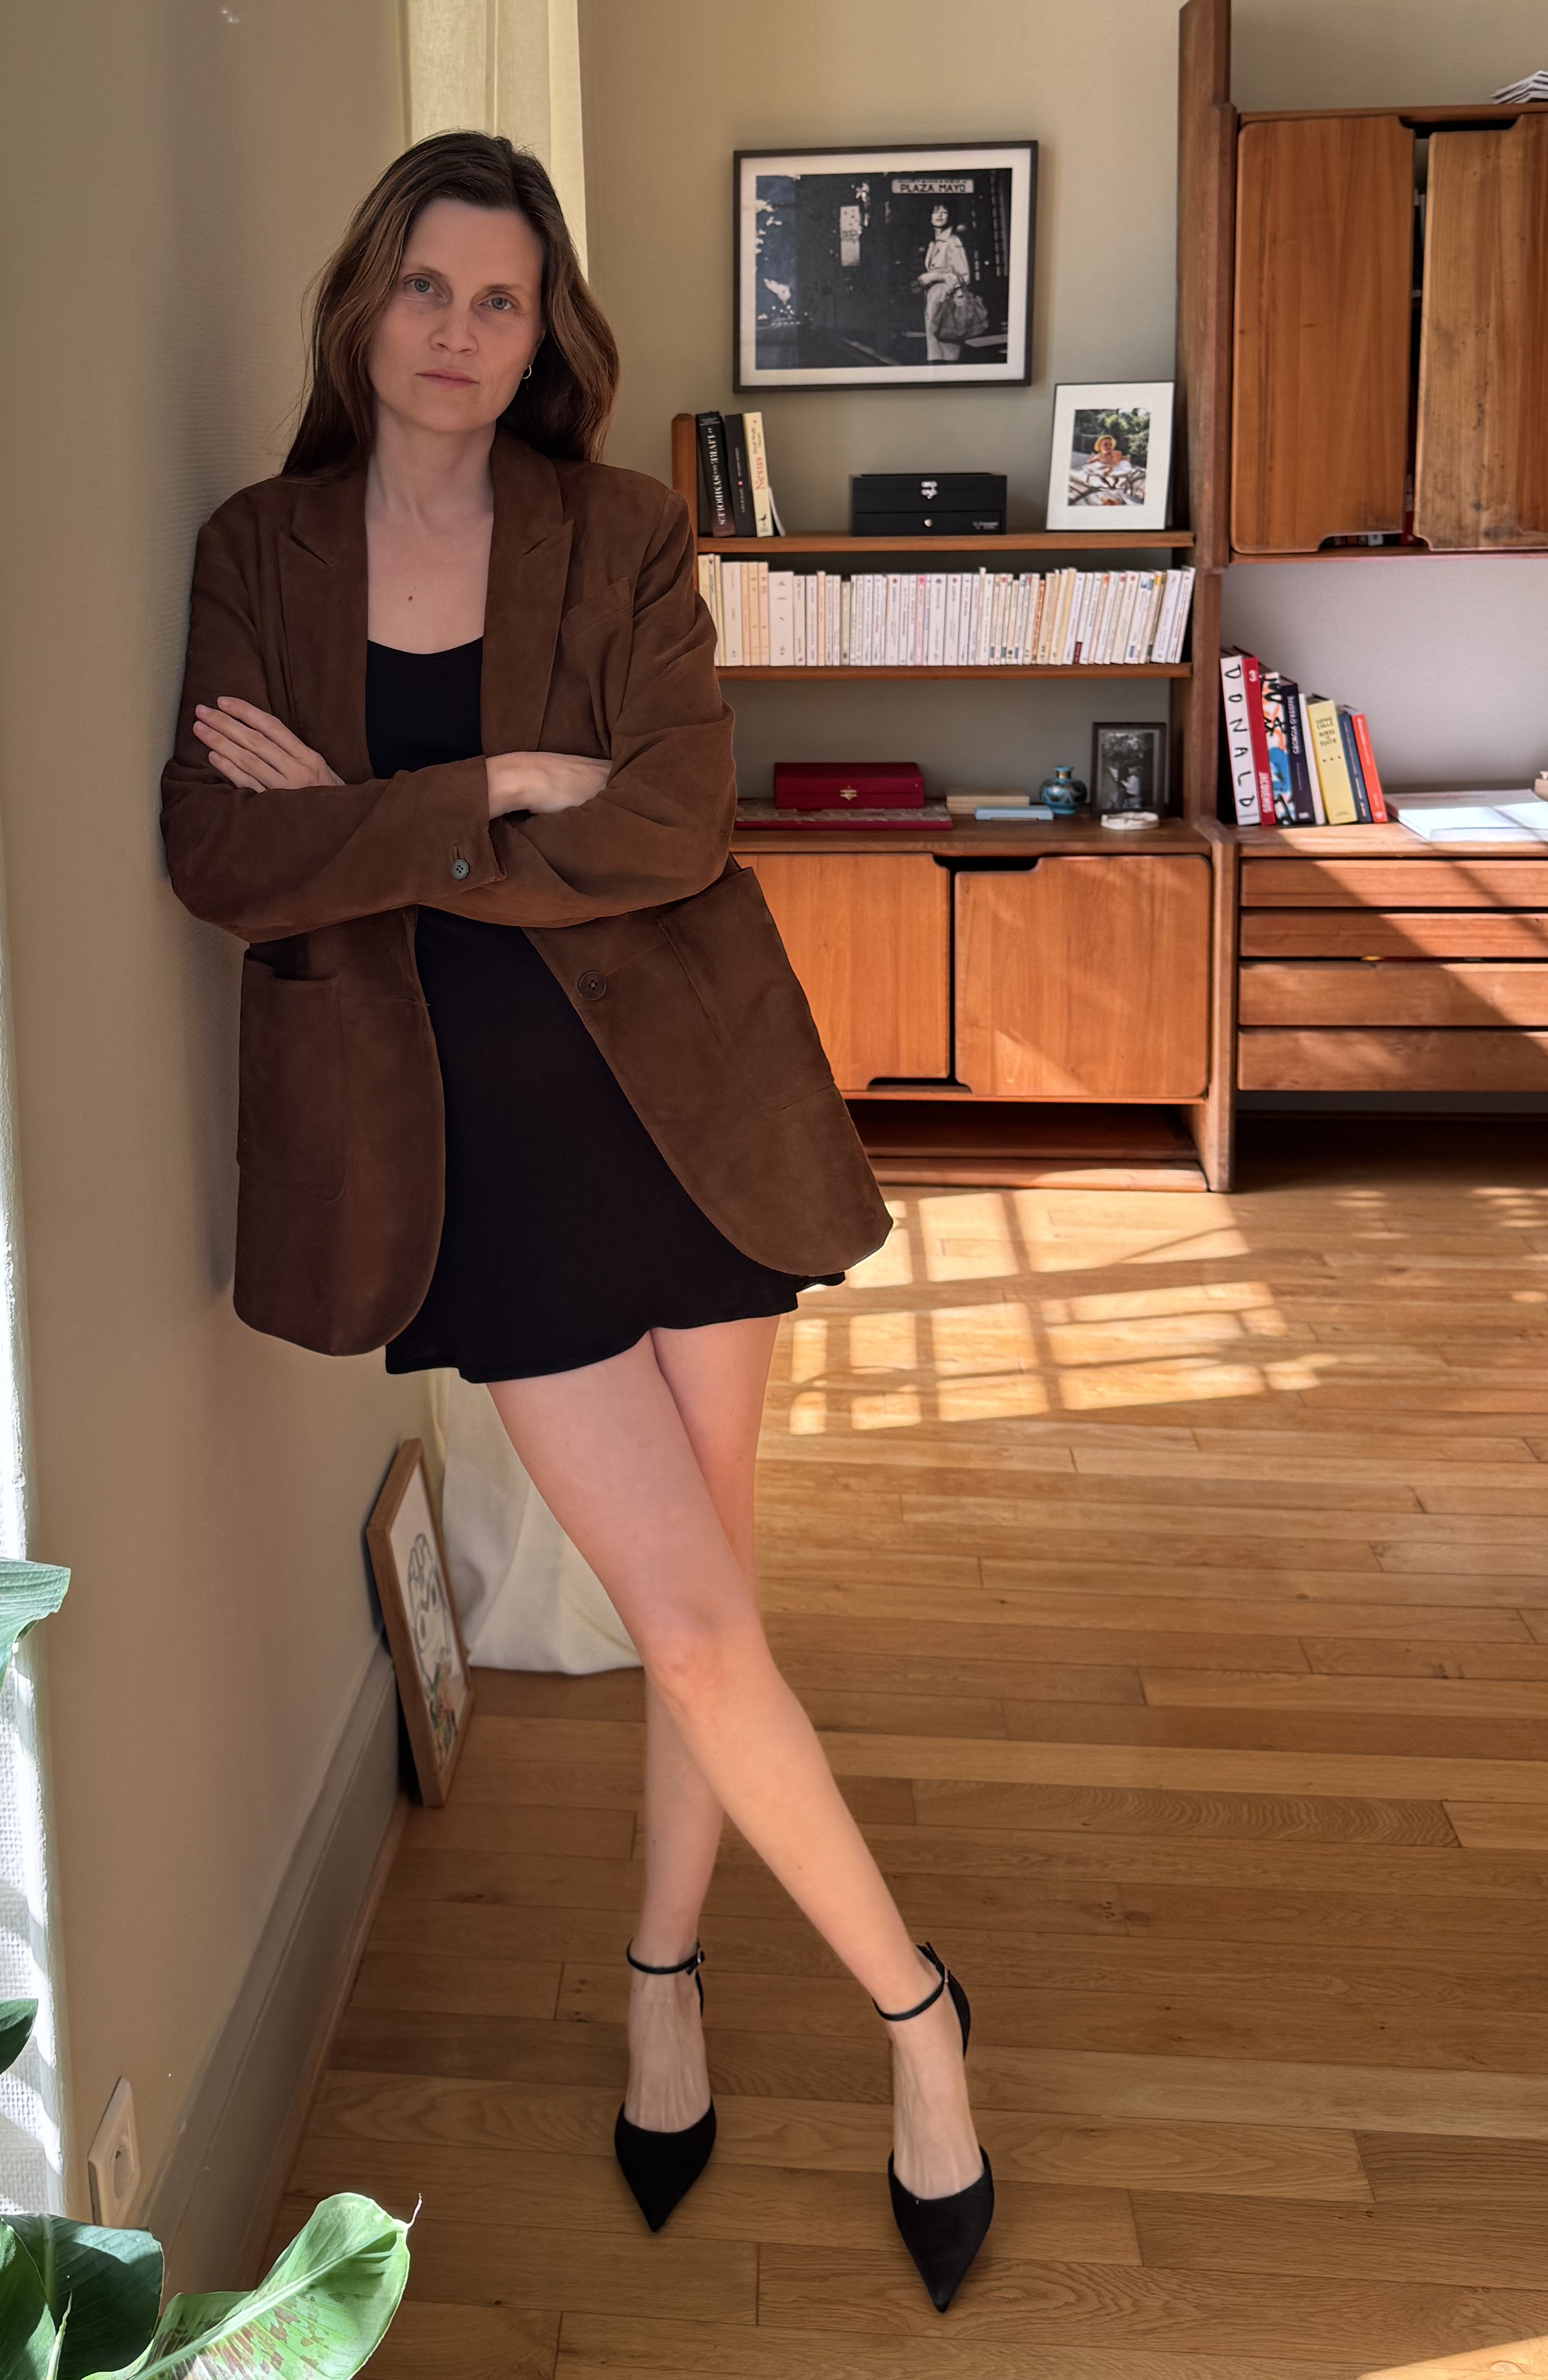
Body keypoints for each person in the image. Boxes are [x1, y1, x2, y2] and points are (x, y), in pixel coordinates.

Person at [160, 132, 992, 2312]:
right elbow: (220, 861)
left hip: (678, 1104)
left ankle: (661, 1973)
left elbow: (675, 825)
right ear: (365, 302)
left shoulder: (617, 531)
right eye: (425, 286)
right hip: (467, 1160)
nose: (455, 331)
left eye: (499, 299)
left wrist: (370, 828)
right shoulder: (259, 548)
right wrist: (496, 789)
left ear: (544, 337)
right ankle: (918, 2019)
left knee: (704, 1608)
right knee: (691, 1621)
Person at [917, 203, 972, 362]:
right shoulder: (933, 244)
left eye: (945, 212)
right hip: (934, 300)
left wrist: (935, 277)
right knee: (937, 353)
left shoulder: (952, 242)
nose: (940, 215)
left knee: (948, 354)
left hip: (948, 301)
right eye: (936, 212)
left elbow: (964, 276)